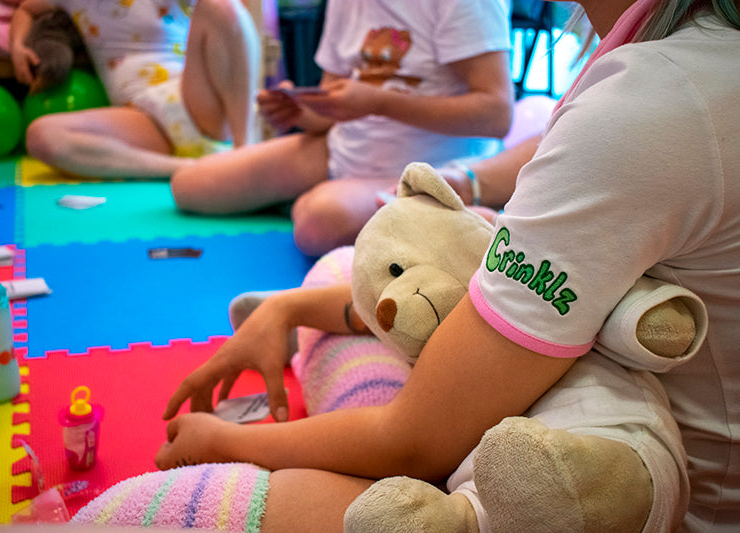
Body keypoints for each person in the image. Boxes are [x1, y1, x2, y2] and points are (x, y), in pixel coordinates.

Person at [154, 0, 740, 531]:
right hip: (384, 188)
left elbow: (415, 440)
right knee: (340, 264)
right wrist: (289, 308)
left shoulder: (648, 102)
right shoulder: (680, 62)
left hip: (634, 489)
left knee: (165, 507)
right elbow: (448, 289)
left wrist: (227, 441)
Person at [170, 0, 514, 257]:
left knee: (317, 223)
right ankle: (319, 197)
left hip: (429, 167)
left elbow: (497, 115)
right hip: (341, 149)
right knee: (189, 186)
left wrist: (380, 103)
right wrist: (300, 111)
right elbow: (332, 107)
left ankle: (343, 200)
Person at [10, 0, 260, 179]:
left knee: (220, 5)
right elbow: (26, 9)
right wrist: (17, 46)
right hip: (142, 118)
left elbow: (230, 17)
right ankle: (189, 168)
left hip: (194, 96)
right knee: (40, 136)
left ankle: (244, 153)